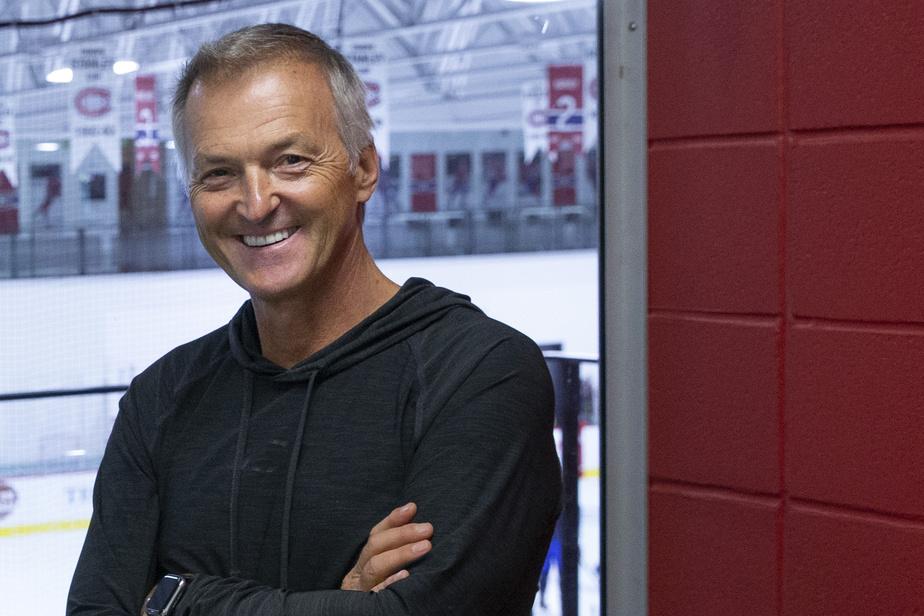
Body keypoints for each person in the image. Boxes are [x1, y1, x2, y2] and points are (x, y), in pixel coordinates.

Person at [67, 23, 561, 616]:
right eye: (219, 173)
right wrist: (335, 602)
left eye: (291, 161)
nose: (255, 204)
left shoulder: (479, 374)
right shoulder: (162, 399)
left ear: (364, 169)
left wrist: (179, 599)